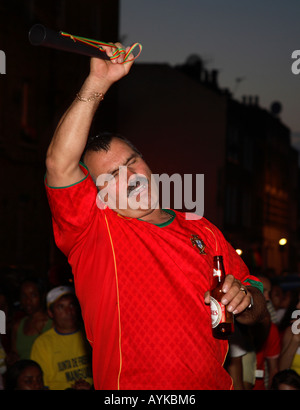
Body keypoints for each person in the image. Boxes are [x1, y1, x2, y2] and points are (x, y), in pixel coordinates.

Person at [44, 42, 267, 390]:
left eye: (132, 162)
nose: (130, 176)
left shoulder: (202, 229)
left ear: (149, 164)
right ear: (98, 194)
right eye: (111, 176)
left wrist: (247, 299)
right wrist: (98, 84)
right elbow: (59, 165)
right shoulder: (94, 232)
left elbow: (258, 310)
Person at [30, 286, 93, 390]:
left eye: (72, 305)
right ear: (51, 313)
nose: (69, 311)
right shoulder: (42, 343)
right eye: (61, 307)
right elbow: (42, 385)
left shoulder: (91, 334)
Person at [9, 278, 52, 363]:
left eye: (33, 295)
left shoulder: (53, 324)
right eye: (24, 296)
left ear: (42, 296)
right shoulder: (17, 327)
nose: (28, 301)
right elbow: (14, 356)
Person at [279, 289, 300, 375]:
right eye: (298, 301)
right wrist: (296, 339)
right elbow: (282, 371)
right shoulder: (291, 330)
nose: (298, 306)